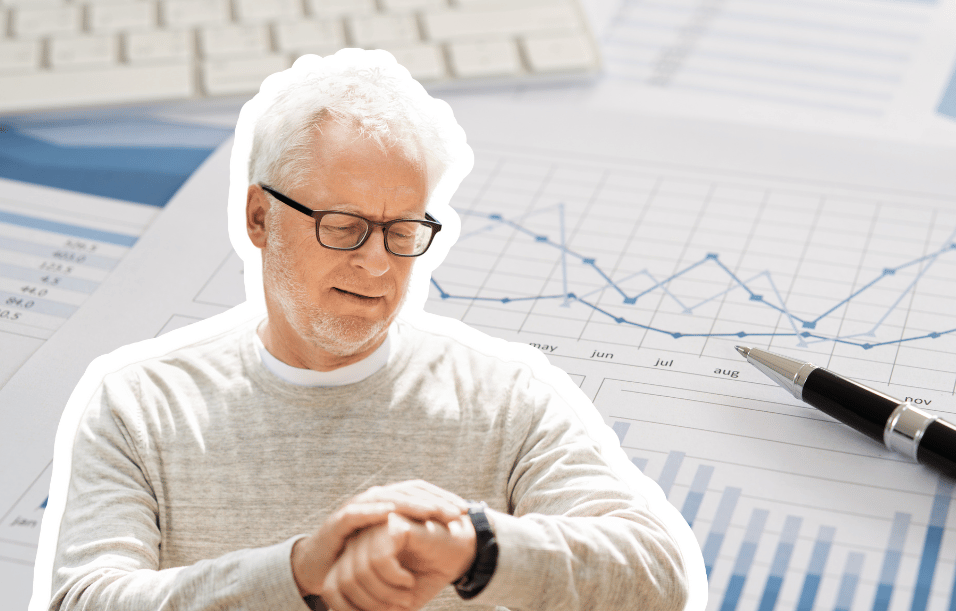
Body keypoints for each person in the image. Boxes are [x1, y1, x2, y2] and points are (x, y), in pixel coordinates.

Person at [37, 51, 702, 611]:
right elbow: (85, 597)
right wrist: (299, 572)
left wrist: (474, 546)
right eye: (344, 226)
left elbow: (657, 573)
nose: (378, 263)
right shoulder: (139, 405)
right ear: (260, 218)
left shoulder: (505, 400)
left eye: (402, 230)